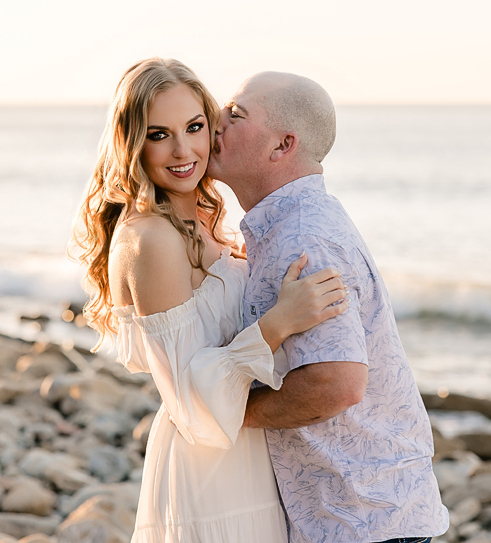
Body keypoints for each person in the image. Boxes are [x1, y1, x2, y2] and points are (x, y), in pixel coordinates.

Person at [71, 58, 349, 543]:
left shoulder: (202, 221)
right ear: (133, 142)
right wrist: (277, 323)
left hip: (249, 457)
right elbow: (189, 403)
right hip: (208, 473)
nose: (183, 151)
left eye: (194, 127)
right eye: (159, 134)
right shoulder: (151, 239)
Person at [206, 71, 450, 543]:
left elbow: (336, 384)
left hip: (361, 519)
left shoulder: (303, 239)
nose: (216, 120)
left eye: (236, 114)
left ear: (282, 146)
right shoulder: (284, 228)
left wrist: (231, 412)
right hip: (363, 512)